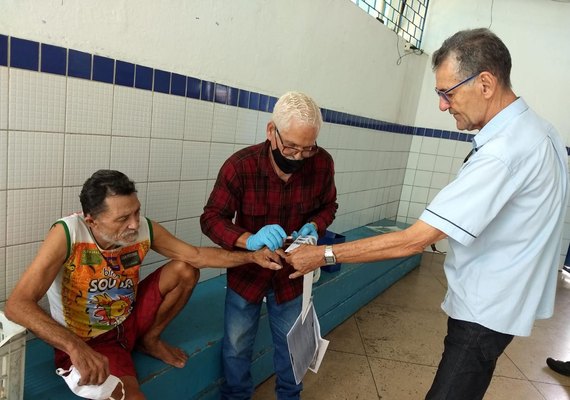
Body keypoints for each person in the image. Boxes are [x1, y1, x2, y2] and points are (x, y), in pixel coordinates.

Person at [283, 28, 569, 400]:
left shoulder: (505, 152)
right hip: (504, 300)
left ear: (485, 83)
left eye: (447, 93)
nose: (443, 106)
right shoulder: (540, 131)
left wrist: (321, 254)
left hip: (486, 310)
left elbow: (414, 240)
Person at [5, 169, 283, 400]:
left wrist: (252, 256)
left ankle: (149, 340)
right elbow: (18, 304)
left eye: (136, 212)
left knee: (186, 270)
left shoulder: (144, 229)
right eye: (123, 218)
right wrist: (74, 347)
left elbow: (196, 255)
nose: (134, 224)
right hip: (88, 339)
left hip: (129, 318)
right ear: (91, 220)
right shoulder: (67, 234)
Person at [200, 91, 338, 399]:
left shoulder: (322, 163)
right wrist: (249, 240)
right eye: (290, 147)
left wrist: (314, 226)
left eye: (307, 149)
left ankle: (289, 396)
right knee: (236, 347)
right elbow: (211, 219)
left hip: (292, 272)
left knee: (293, 347)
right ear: (271, 132)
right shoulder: (240, 166)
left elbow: (329, 205)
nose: (298, 157)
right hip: (248, 272)